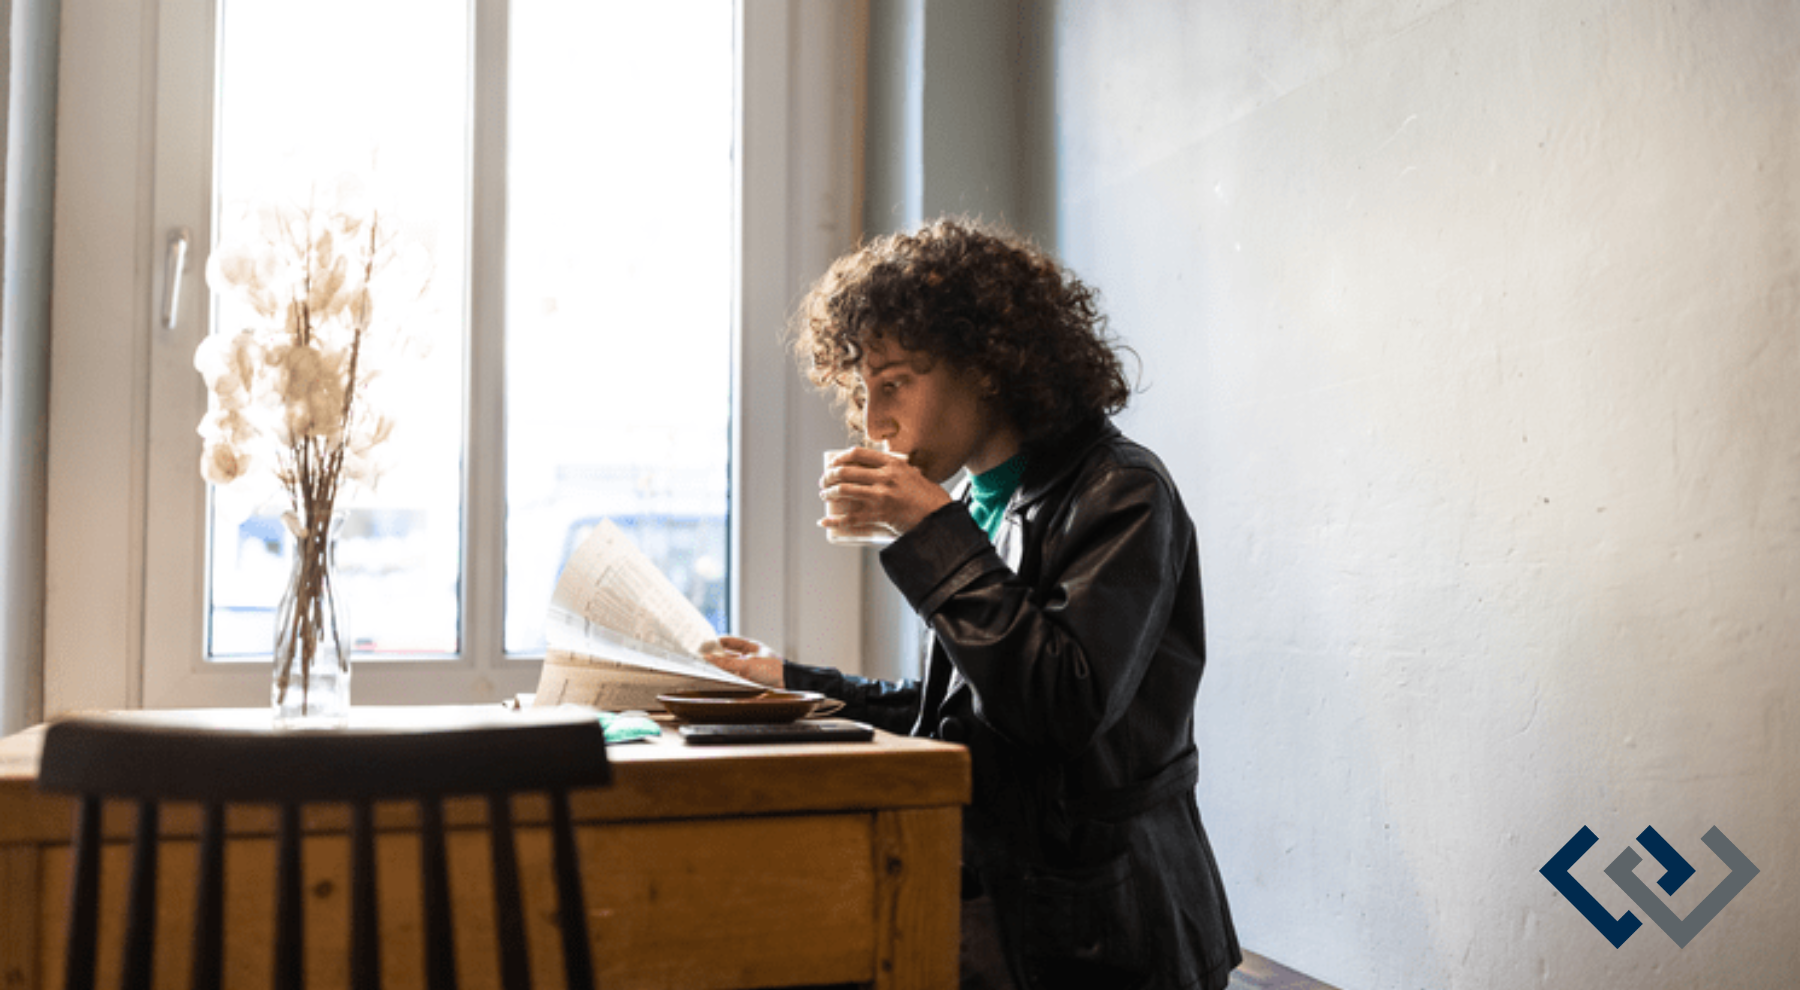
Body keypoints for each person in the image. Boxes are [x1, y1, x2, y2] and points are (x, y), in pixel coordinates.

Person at [702, 218, 1240, 990]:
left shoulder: (1122, 491)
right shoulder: (978, 501)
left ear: (987, 366)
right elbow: (954, 712)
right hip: (1009, 913)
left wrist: (931, 531)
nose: (873, 418)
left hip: (1110, 933)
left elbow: (1057, 705)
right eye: (860, 389)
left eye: (894, 382)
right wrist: (790, 681)